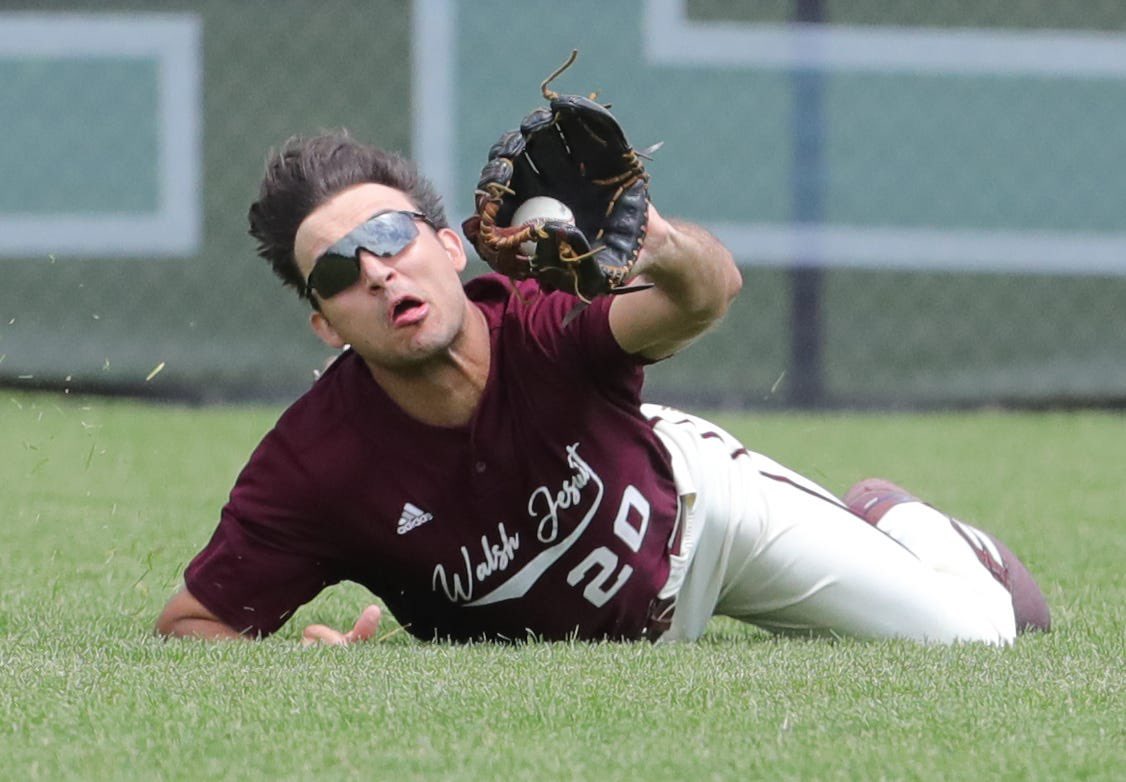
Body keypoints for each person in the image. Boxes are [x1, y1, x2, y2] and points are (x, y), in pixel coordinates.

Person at [156, 131, 1049, 647]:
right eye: (340, 272)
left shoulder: (539, 319)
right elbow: (193, 627)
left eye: (391, 235)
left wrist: (654, 240)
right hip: (613, 628)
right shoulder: (316, 465)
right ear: (323, 323)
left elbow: (708, 294)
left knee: (983, 637)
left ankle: (896, 518)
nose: (381, 274)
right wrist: (298, 673)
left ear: (450, 245)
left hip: (707, 522)